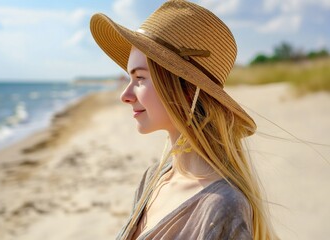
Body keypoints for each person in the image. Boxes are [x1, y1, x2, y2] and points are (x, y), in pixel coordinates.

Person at [90, 0, 277, 239]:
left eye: (140, 79)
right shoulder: (153, 179)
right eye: (130, 78)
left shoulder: (222, 207)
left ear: (187, 90)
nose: (125, 96)